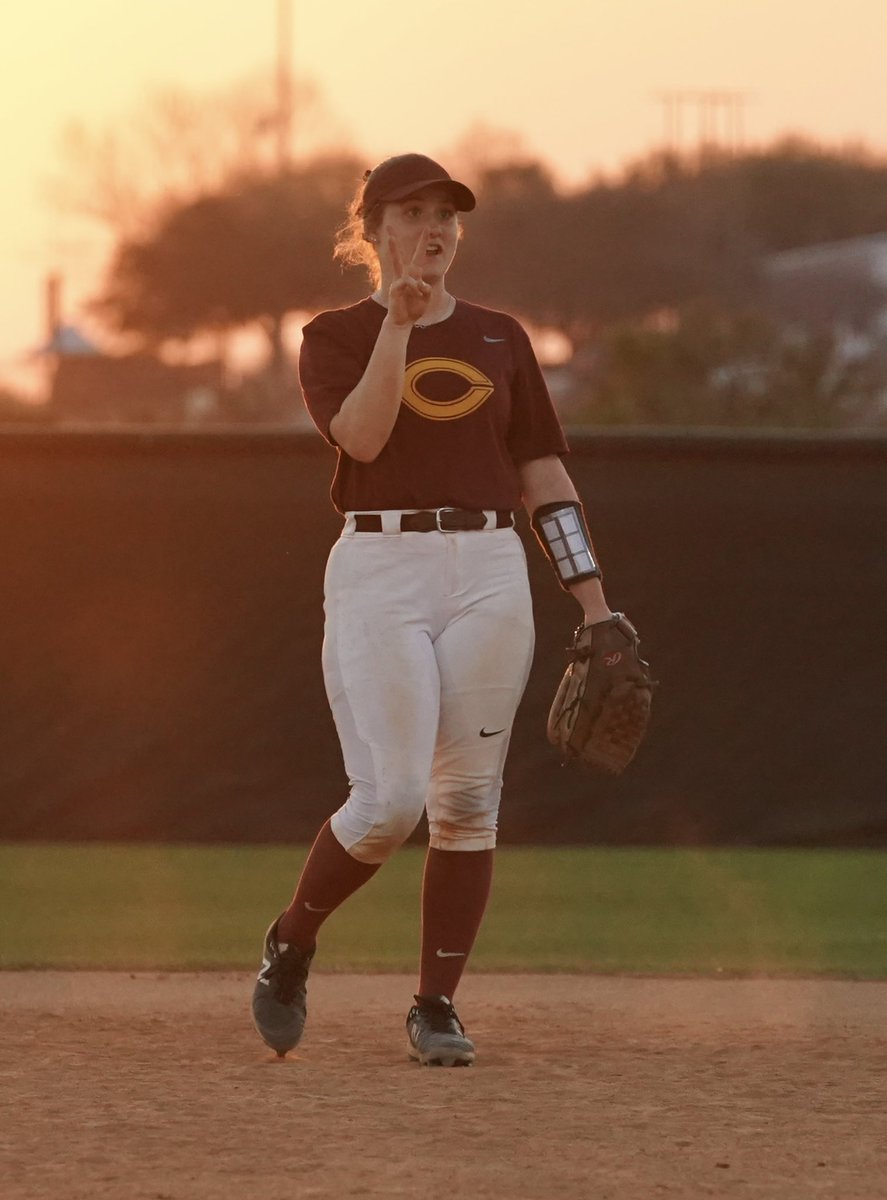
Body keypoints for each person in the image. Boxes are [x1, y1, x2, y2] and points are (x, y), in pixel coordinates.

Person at [251, 153, 615, 1067]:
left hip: (490, 562)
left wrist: (595, 602)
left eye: (445, 213)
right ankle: (292, 941)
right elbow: (364, 436)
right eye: (410, 213)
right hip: (382, 562)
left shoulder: (500, 337)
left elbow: (543, 476)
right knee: (389, 802)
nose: (433, 228)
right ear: (372, 231)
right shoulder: (332, 336)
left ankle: (436, 1006)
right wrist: (399, 330)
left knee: (466, 803)